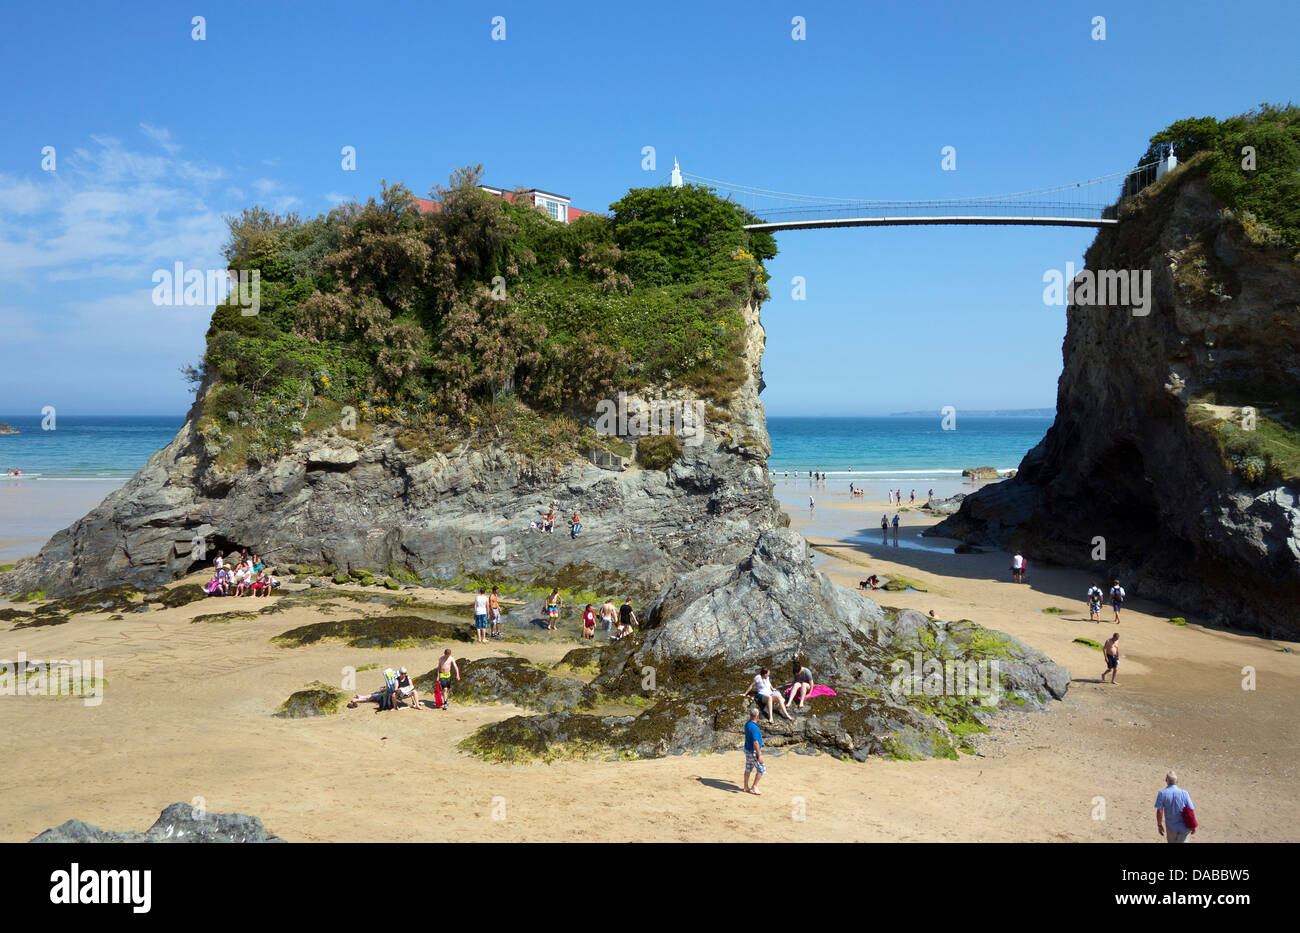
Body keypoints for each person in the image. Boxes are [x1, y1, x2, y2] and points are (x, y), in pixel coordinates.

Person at [1155, 770, 1197, 843]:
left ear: (1166, 780)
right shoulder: (1184, 793)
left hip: (1171, 827)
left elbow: (1159, 811)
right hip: (1185, 827)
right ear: (1177, 781)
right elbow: (1191, 810)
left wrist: (1159, 825)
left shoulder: (1162, 793)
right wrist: (1193, 825)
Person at [743, 708, 765, 795]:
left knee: (749, 767)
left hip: (747, 749)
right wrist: (759, 756)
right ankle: (754, 787)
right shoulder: (754, 727)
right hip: (753, 751)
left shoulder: (747, 724)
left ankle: (745, 786)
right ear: (757, 716)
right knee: (761, 769)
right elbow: (755, 742)